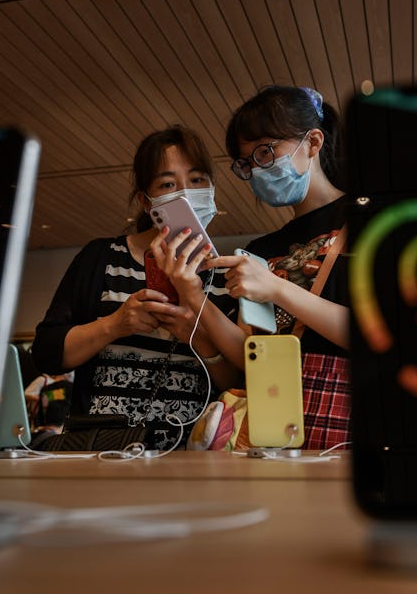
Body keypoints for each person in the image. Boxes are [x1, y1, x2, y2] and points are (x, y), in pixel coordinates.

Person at [149, 86, 350, 450]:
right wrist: (194, 295)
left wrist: (276, 288)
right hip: (274, 423)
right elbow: (250, 356)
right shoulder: (262, 250)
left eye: (265, 151)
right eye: (247, 163)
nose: (257, 169)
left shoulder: (369, 218)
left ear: (314, 142)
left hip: (346, 421)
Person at [32, 126, 238, 450]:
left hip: (194, 455)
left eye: (197, 180)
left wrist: (198, 338)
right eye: (169, 184)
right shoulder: (101, 257)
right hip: (103, 448)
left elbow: (240, 385)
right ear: (147, 201)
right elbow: (46, 353)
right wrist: (115, 324)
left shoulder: (228, 275)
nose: (186, 194)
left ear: (212, 188)